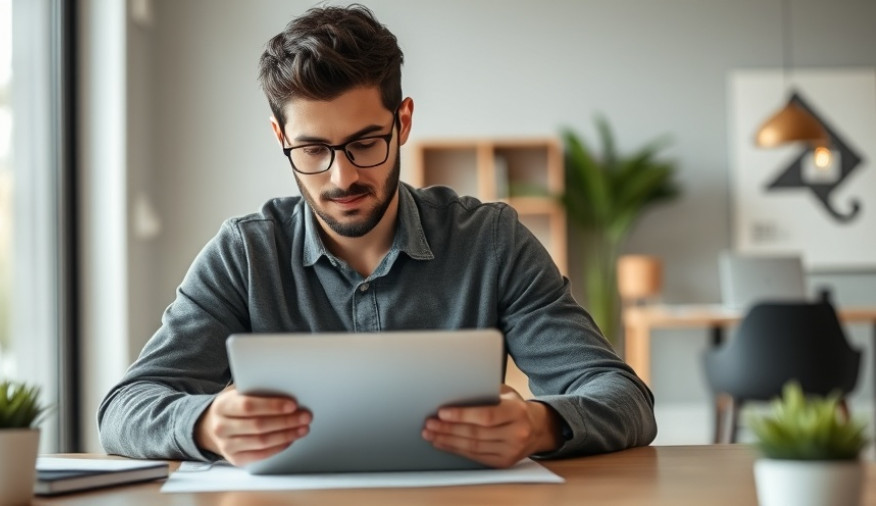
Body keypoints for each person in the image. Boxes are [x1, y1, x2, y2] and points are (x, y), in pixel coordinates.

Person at [98, 3, 656, 469]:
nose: (342, 177)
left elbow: (624, 398)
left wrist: (539, 425)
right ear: (280, 137)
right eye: (313, 150)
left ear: (403, 121)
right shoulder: (245, 253)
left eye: (366, 143)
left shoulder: (491, 241)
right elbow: (124, 409)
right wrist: (205, 425)